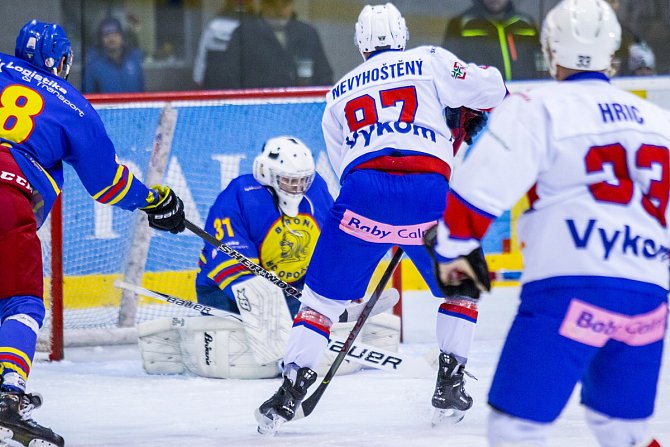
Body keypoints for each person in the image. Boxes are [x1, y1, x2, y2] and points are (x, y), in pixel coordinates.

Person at [254, 2, 506, 435]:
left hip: (362, 196)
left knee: (320, 304)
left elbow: (343, 168)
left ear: (359, 45)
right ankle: (450, 381)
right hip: (428, 194)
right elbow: (493, 89)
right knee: (462, 287)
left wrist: (381, 222)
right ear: (403, 35)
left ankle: (291, 385)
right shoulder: (429, 59)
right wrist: (456, 125)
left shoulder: (339, 93)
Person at [426, 1, 668, 445]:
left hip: (569, 291)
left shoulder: (535, 106)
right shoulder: (661, 122)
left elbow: (472, 199)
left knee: (514, 429)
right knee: (621, 430)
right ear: (613, 51)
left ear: (549, 49)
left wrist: (450, 250)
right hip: (648, 300)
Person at [0, 19, 186, 447]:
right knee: (21, 304)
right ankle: (8, 396)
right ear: (59, 60)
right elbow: (107, 183)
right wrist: (152, 201)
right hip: (7, 198)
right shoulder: (71, 103)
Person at [137, 136, 401, 379]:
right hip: (224, 291)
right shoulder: (239, 194)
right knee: (270, 306)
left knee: (322, 290)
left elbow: (331, 240)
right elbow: (234, 269)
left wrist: (337, 287)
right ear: (267, 172)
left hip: (292, 288)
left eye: (303, 180)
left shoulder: (316, 188)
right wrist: (275, 306)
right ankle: (321, 318)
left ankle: (327, 312)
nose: (298, 187)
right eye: (289, 180)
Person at [203, 0, 333, 89]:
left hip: (300, 111)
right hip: (256, 112)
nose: (279, 12)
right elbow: (228, 78)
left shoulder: (307, 33)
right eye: (273, 5)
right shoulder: (243, 34)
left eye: (285, 4)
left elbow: (324, 77)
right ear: (262, 4)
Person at [443, 0, 544, 81]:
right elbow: (449, 67)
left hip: (522, 96)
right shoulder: (461, 24)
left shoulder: (526, 24)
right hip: (478, 100)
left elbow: (541, 66)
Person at [192, 0, 254, 87]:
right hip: (239, 83)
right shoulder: (251, 26)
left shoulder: (213, 25)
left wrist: (198, 78)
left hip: (213, 81)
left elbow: (202, 54)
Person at [82, 17, 145, 93]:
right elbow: (87, 96)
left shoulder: (134, 58)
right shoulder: (93, 65)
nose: (111, 39)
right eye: (107, 35)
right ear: (101, 39)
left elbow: (142, 90)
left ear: (122, 36)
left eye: (115, 34)